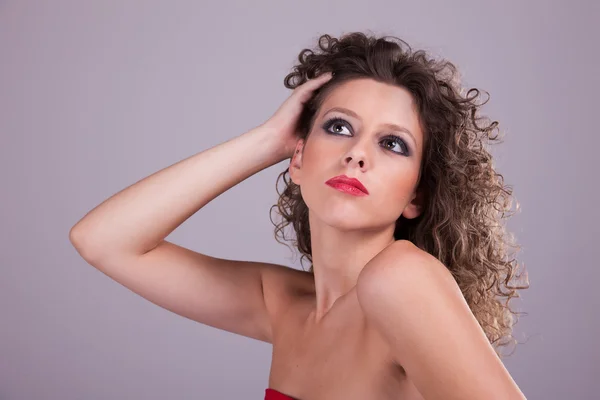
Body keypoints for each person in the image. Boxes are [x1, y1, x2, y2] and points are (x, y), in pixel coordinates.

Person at [69, 32, 529, 399]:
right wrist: (268, 140)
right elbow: (103, 240)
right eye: (339, 127)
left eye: (392, 144)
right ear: (299, 157)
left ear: (416, 196)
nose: (356, 154)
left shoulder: (401, 279)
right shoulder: (284, 305)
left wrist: (288, 146)